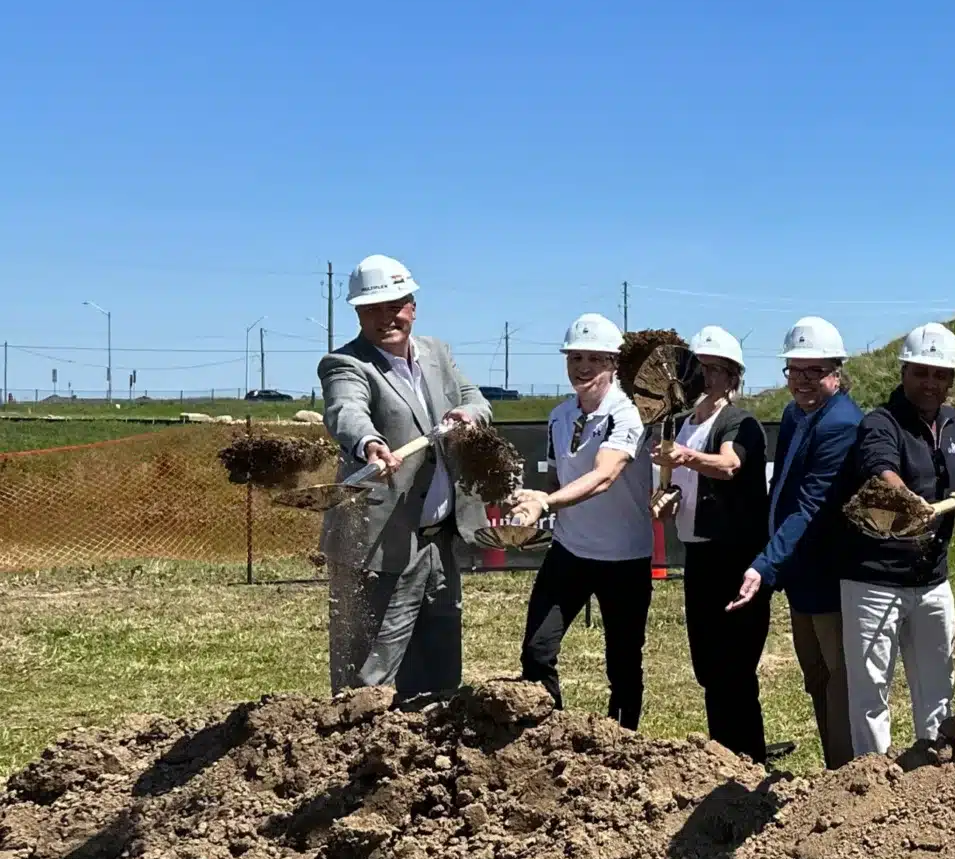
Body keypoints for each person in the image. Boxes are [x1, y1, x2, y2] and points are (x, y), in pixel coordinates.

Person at [318, 254, 492, 698]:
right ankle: (353, 749)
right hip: (380, 540)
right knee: (369, 667)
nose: (385, 318)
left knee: (438, 660)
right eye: (372, 309)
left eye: (394, 305)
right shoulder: (346, 364)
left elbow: (476, 399)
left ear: (411, 305)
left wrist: (468, 414)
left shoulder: (437, 353)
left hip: (438, 539)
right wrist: (369, 443)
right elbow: (346, 410)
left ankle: (424, 745)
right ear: (358, 313)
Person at [842, 323, 955, 755]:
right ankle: (872, 784)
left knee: (938, 686)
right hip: (875, 581)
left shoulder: (953, 422)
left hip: (932, 579)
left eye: (940, 375)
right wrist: (908, 500)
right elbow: (879, 469)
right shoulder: (881, 423)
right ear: (904, 371)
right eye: (921, 373)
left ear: (952, 380)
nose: (931, 383)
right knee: (871, 694)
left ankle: (931, 777)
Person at [730, 317, 865, 768]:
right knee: (816, 675)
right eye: (795, 371)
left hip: (828, 570)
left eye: (815, 371)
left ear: (837, 373)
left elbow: (810, 504)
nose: (803, 382)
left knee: (839, 678)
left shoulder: (841, 423)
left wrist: (765, 563)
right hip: (800, 569)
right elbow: (782, 490)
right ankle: (833, 768)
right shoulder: (795, 415)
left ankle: (847, 777)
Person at [509, 314, 656, 727]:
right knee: (537, 651)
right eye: (575, 357)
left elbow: (604, 476)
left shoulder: (628, 415)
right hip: (569, 553)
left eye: (594, 358)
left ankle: (623, 745)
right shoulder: (559, 415)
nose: (583, 367)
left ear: (613, 364)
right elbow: (559, 477)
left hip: (624, 558)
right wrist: (532, 506)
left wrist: (547, 502)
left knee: (623, 664)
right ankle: (547, 736)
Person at [660, 325, 783, 762]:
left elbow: (729, 465)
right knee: (709, 664)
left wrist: (687, 459)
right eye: (699, 367)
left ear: (734, 377)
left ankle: (746, 754)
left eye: (716, 369)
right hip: (700, 553)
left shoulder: (739, 422)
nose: (705, 376)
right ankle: (723, 752)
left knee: (735, 664)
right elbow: (679, 482)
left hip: (735, 556)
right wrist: (669, 497)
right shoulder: (681, 424)